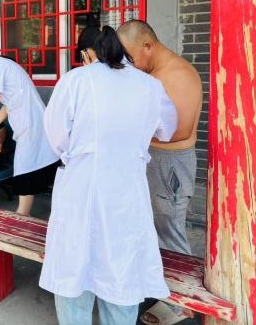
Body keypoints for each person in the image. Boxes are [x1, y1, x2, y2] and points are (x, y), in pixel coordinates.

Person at [40, 26, 178, 325]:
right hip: (126, 190)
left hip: (80, 185)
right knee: (122, 271)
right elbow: (167, 129)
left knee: (74, 267)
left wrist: (77, 155)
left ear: (89, 53)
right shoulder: (149, 86)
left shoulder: (75, 80)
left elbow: (55, 135)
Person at [117, 19, 202, 325]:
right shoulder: (153, 75)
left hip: (170, 165)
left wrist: (131, 131)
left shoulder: (177, 74)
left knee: (170, 230)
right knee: (153, 229)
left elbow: (179, 131)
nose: (129, 65)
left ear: (148, 46)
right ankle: (165, 292)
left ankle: (184, 306)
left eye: (131, 57)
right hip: (155, 161)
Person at [0, 43, 60, 216]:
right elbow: (9, 102)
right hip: (30, 123)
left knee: (26, 168)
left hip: (31, 124)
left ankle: (23, 213)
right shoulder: (3, 64)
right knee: (32, 166)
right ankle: (26, 212)